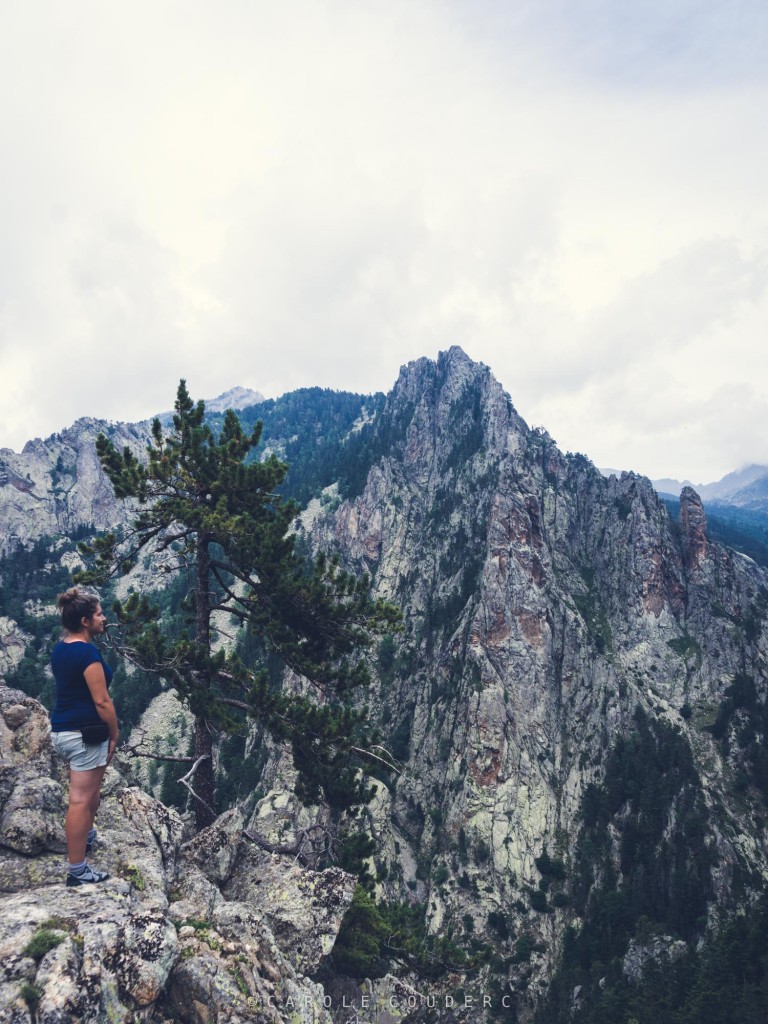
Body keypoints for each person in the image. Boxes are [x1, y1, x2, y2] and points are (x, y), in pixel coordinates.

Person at [50, 588, 119, 886]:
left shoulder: (61, 648)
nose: (104, 618)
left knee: (90, 792)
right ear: (85, 620)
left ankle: (86, 835)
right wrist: (114, 734)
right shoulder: (87, 653)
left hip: (62, 731)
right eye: (99, 614)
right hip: (85, 735)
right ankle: (77, 870)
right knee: (80, 799)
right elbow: (102, 701)